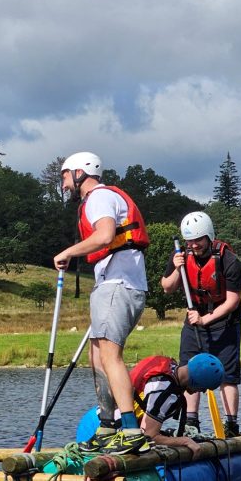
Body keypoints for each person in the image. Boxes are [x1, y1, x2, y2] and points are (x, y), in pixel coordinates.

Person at [54, 151, 151, 455]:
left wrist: (68, 252)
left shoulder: (98, 197)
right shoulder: (96, 198)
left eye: (65, 175)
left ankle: (132, 431)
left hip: (117, 285)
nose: (64, 183)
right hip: (113, 285)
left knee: (110, 356)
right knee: (97, 358)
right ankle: (107, 427)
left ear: (81, 172)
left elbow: (106, 235)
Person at [160, 211, 241, 438]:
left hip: (225, 321)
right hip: (193, 320)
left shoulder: (228, 260)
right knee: (188, 369)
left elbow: (232, 300)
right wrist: (178, 269)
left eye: (198, 240)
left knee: (227, 375)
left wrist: (205, 319)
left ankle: (231, 425)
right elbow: (167, 287)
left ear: (209, 237)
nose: (194, 245)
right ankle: (191, 422)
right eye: (190, 240)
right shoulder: (180, 255)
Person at [125, 352, 225, 458]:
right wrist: (185, 441)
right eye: (204, 388)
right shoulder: (164, 391)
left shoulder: (170, 367)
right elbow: (149, 437)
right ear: (199, 382)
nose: (202, 391)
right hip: (123, 431)